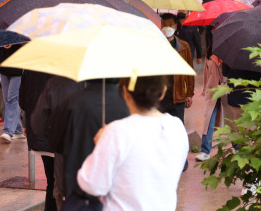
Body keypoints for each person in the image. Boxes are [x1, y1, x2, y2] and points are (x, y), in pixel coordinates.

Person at [77, 76, 188, 211]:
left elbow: (92, 184)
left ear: (125, 93)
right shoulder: (176, 127)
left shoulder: (116, 132)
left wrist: (100, 145)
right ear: (163, 92)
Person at [48, 79, 129, 207]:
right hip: (120, 191)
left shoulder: (71, 102)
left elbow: (53, 142)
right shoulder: (129, 103)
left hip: (78, 190)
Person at [33, 76, 82, 210]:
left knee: (52, 182)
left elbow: (37, 124)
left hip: (63, 167)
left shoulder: (55, 84)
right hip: (98, 176)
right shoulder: (107, 89)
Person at [19, 70, 59, 211]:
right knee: (61, 183)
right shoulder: (65, 67)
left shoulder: (31, 66)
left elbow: (22, 100)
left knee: (51, 181)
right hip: (60, 134)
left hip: (39, 131)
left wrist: (26, 124)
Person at [158, 13, 195, 124]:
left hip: (178, 97)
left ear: (176, 26)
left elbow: (189, 71)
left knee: (177, 127)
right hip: (160, 98)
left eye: (170, 24)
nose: (167, 27)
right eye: (164, 24)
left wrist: (189, 94)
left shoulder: (184, 47)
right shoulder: (156, 45)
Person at [195, 31, 225, 162]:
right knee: (209, 120)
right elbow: (206, 74)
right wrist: (205, 90)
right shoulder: (210, 54)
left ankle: (237, 148)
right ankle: (205, 150)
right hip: (212, 91)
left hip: (226, 91)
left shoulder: (229, 54)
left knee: (232, 120)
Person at [0, 45, 26, 143]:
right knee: (7, 100)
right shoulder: (1, 31)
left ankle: (8, 131)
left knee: (12, 99)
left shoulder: (21, 32)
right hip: (4, 66)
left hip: (18, 67)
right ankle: (18, 130)